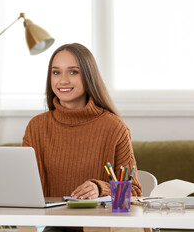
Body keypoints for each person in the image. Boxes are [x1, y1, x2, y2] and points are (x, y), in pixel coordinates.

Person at [22, 43, 142, 231]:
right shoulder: (36, 127)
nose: (62, 80)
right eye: (56, 72)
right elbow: (25, 186)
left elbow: (134, 192)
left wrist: (100, 188)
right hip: (56, 226)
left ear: (88, 76)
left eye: (73, 72)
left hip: (101, 226)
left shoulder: (114, 127)